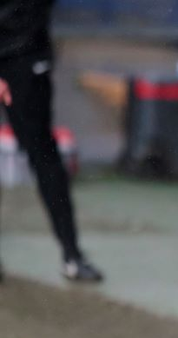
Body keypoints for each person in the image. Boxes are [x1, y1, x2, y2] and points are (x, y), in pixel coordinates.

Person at [0, 0, 103, 282]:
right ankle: (72, 256)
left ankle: (72, 255)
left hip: (24, 58)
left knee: (44, 154)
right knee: (45, 155)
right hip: (23, 51)